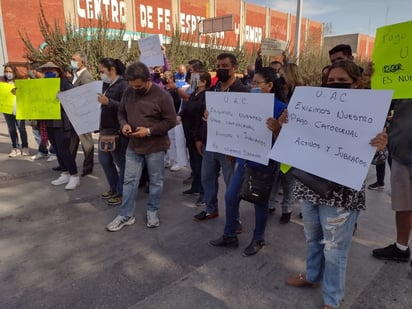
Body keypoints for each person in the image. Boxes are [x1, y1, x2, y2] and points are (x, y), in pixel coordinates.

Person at [285, 60, 388, 309]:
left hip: (341, 195)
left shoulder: (369, 112)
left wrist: (380, 146)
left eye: (343, 82)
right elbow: (296, 139)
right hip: (309, 187)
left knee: (334, 249)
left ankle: (332, 299)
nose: (336, 86)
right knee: (312, 238)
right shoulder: (313, 107)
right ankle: (312, 277)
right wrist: (288, 122)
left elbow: (379, 158)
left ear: (356, 83)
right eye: (331, 81)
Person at [208, 67, 287, 257]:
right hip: (244, 161)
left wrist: (277, 129)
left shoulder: (281, 108)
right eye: (252, 82)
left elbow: (286, 143)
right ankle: (229, 235)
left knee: (259, 203)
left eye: (258, 83)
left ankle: (258, 238)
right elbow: (237, 126)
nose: (254, 86)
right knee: (230, 196)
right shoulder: (246, 103)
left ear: (270, 85)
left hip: (264, 164)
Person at [106, 62, 176, 232]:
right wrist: (124, 125)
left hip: (155, 147)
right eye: (131, 85)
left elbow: (171, 121)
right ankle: (126, 215)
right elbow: (121, 112)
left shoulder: (162, 96)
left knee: (156, 181)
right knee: (129, 180)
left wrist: (150, 131)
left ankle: (152, 211)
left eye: (138, 86)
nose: (134, 89)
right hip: (133, 145)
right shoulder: (129, 91)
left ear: (147, 80)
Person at [193, 53, 249, 226]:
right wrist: (199, 137)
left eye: (225, 66)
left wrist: (237, 149)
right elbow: (203, 116)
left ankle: (235, 218)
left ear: (235, 68)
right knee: (207, 178)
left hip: (229, 148)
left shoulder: (243, 91)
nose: (221, 69)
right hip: (210, 143)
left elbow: (247, 123)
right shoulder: (213, 90)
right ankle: (211, 209)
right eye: (218, 66)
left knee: (232, 186)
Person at [372, 97, 412, 265]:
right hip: (401, 152)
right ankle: (401, 248)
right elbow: (382, 101)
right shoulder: (402, 76)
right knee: (403, 204)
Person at [38, 61, 79, 190]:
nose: (49, 72)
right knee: (56, 149)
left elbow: (74, 97)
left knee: (64, 150)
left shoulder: (65, 82)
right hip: (48, 121)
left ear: (58, 70)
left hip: (62, 122)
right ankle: (65, 173)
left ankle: (74, 175)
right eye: (46, 70)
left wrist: (63, 96)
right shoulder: (42, 84)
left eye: (52, 69)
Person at [97, 58, 129, 206]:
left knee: (121, 163)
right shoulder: (105, 85)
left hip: (117, 131)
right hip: (104, 130)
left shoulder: (123, 85)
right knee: (105, 161)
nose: (101, 74)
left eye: (102, 71)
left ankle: (121, 192)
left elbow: (125, 107)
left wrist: (108, 102)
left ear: (112, 70)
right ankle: (113, 187)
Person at [178, 70, 211, 206]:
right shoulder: (193, 94)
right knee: (194, 164)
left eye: (195, 79)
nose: (192, 81)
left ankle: (204, 193)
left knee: (201, 166)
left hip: (198, 135)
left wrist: (199, 137)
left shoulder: (206, 96)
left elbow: (203, 118)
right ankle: (196, 187)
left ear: (203, 82)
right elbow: (186, 109)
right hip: (189, 133)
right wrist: (179, 115)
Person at [70, 51, 95, 176]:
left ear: (82, 62)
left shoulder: (85, 76)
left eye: (74, 59)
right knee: (72, 142)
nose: (72, 61)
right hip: (74, 114)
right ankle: (69, 165)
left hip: (83, 115)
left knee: (86, 143)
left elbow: (89, 96)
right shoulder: (75, 74)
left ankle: (88, 167)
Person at [1, 63, 29, 157]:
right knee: (11, 129)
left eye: (10, 72)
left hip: (19, 108)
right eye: (6, 71)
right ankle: (15, 148)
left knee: (21, 128)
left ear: (14, 72)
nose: (8, 73)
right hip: (7, 109)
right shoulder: (2, 83)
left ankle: (25, 147)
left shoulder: (19, 82)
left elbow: (26, 94)